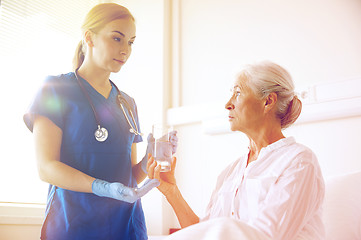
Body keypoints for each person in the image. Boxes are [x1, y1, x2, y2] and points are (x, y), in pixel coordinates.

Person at [23, 3, 177, 240]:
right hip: (74, 224)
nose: (125, 50)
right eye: (117, 38)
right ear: (89, 37)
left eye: (131, 42)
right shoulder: (56, 90)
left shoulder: (127, 103)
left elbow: (129, 176)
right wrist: (102, 187)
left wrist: (150, 159)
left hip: (126, 226)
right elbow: (46, 167)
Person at [147, 61, 325, 240]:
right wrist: (172, 191)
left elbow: (267, 236)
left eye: (238, 93)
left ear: (268, 101)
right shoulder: (230, 172)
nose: (228, 104)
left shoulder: (299, 162)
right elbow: (203, 232)